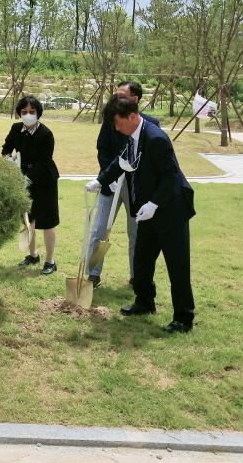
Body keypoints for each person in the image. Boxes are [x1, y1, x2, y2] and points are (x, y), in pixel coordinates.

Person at [86, 94, 196, 334]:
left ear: (133, 116)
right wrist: (100, 180)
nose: (116, 129)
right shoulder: (132, 135)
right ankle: (145, 303)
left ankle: (183, 318)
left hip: (170, 210)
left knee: (177, 266)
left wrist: (154, 204)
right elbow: (121, 161)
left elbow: (170, 177)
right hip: (147, 211)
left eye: (118, 123)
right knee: (142, 260)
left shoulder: (156, 138)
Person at [87, 81, 160, 288]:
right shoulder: (111, 120)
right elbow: (103, 148)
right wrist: (106, 179)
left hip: (136, 187)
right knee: (99, 229)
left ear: (135, 100)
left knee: (136, 233)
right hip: (110, 183)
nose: (115, 98)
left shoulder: (150, 125)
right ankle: (93, 275)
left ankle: (137, 277)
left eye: (121, 95)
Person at [1, 95, 60, 275]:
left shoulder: (46, 134)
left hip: (44, 180)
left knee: (48, 222)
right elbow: (6, 148)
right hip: (22, 177)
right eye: (24, 112)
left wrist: (27, 179)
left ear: (38, 113)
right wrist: (8, 160)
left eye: (32, 112)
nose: (28, 115)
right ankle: (33, 255)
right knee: (29, 219)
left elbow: (43, 162)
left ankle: (50, 261)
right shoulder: (16, 128)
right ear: (19, 113)